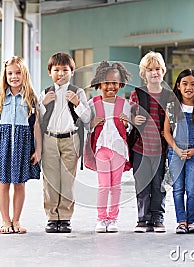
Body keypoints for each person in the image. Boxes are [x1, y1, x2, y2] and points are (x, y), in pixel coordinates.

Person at [0, 56, 41, 234]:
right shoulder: (0, 97)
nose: (14, 76)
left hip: (23, 145)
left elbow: (36, 125)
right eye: (10, 73)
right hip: (2, 144)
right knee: (3, 183)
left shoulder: (31, 98)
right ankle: (5, 220)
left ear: (24, 74)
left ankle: (16, 220)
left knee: (19, 184)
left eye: (18, 73)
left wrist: (38, 150)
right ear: (5, 75)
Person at [39, 52, 91, 233]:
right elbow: (37, 120)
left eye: (65, 70)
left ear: (72, 71)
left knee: (67, 181)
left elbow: (87, 118)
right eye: (56, 70)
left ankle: (65, 217)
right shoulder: (45, 93)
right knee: (50, 181)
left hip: (71, 139)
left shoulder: (78, 92)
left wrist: (77, 103)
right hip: (49, 139)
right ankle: (52, 217)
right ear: (49, 72)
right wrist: (43, 105)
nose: (61, 74)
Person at [130, 51, 173, 233]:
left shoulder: (168, 96)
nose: (154, 73)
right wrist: (134, 120)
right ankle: (143, 218)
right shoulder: (137, 94)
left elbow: (174, 121)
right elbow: (130, 116)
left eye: (157, 69)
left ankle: (157, 217)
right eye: (149, 70)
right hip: (140, 147)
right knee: (142, 184)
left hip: (160, 148)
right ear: (143, 73)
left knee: (158, 184)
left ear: (163, 71)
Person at [87, 61, 131, 233]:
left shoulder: (124, 103)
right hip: (101, 149)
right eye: (106, 83)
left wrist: (127, 124)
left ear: (120, 84)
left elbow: (130, 126)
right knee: (104, 186)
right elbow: (85, 124)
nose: (110, 86)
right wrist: (92, 123)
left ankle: (113, 219)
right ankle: (101, 218)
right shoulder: (94, 103)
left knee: (116, 186)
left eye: (114, 82)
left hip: (119, 148)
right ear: (100, 83)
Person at [163, 69, 194, 234]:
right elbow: (166, 132)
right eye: (185, 84)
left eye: (193, 84)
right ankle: (181, 221)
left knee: (191, 190)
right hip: (176, 152)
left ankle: (191, 221)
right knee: (178, 189)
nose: (189, 87)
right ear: (178, 86)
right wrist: (177, 149)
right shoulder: (173, 107)